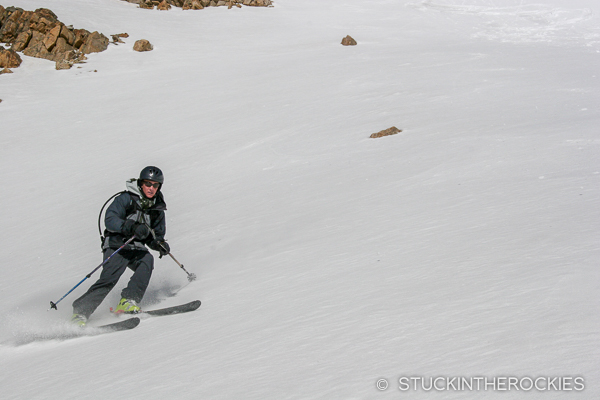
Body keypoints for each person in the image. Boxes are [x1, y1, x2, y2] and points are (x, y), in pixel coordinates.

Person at [71, 166, 171, 327]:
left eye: (155, 185)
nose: (151, 188)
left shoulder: (157, 208)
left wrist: (159, 244)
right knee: (109, 279)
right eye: (148, 184)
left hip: (136, 248)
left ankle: (128, 300)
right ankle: (80, 312)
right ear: (140, 183)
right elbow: (110, 219)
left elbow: (155, 236)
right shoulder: (126, 199)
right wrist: (130, 227)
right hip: (117, 245)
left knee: (147, 261)